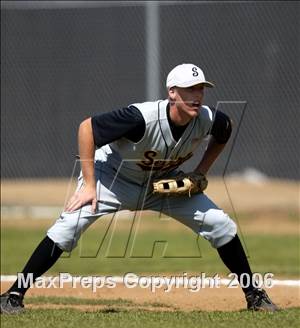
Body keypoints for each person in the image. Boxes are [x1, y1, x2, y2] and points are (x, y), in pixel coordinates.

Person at [0, 63, 278, 314]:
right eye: (189, 89)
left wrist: (200, 173)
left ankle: (254, 296)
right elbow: (87, 128)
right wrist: (89, 184)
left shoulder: (208, 118)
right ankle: (13, 296)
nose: (196, 95)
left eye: (200, 89)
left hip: (163, 186)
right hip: (114, 178)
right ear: (172, 92)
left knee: (220, 224)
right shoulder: (141, 118)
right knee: (68, 228)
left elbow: (225, 129)